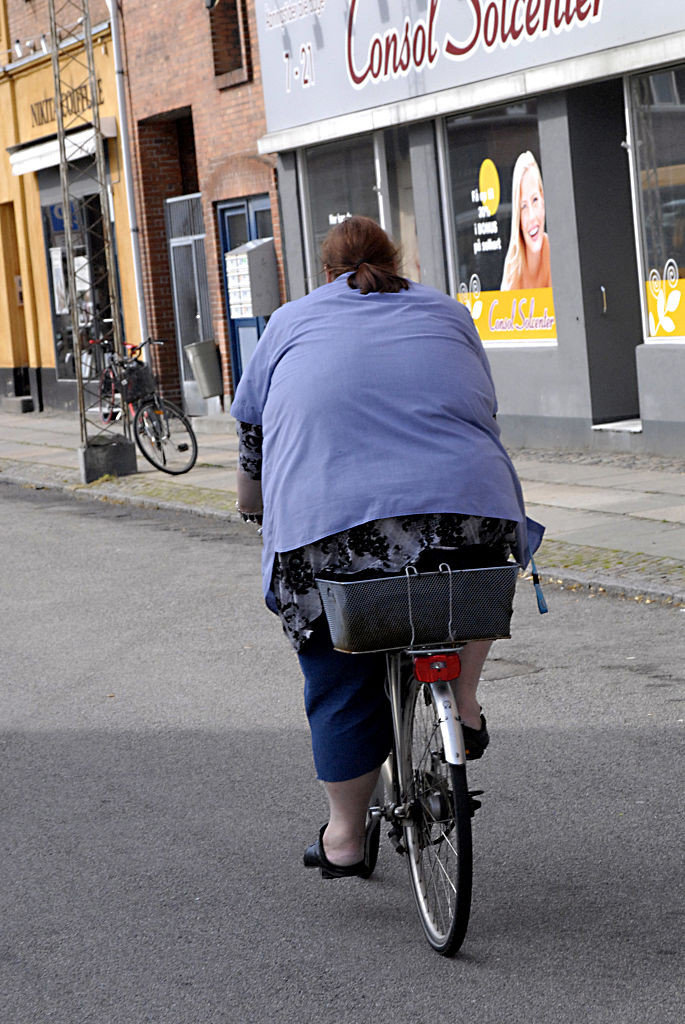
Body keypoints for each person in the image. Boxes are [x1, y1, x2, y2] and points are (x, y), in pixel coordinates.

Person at [231, 216, 542, 879]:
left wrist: (251, 504)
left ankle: (345, 838)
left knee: (338, 673)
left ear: (326, 272)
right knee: (469, 586)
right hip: (469, 506)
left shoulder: (288, 322)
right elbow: (481, 407)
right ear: (395, 262)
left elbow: (252, 436)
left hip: (331, 525)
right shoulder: (449, 312)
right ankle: (463, 701)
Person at [500, 151, 552, 291]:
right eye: (523, 206)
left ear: (543, 201)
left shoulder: (555, 253)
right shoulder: (512, 266)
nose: (532, 216)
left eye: (535, 200)